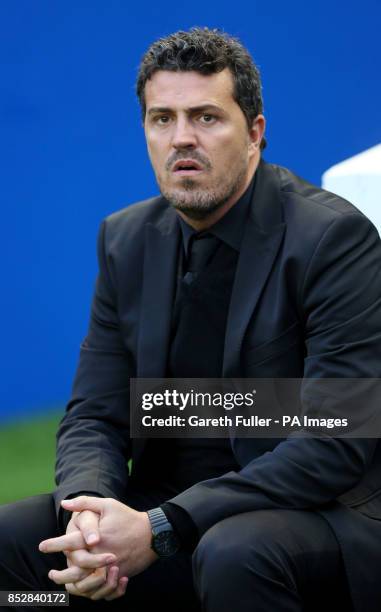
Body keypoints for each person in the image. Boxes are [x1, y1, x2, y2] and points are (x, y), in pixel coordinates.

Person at [1, 26, 381, 612]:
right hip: (160, 508)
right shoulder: (125, 239)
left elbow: (335, 440)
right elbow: (94, 413)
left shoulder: (333, 238)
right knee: (14, 548)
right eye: (162, 119)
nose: (182, 139)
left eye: (206, 118)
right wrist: (89, 514)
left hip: (308, 513)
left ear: (254, 133)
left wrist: (161, 525)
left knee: (234, 551)